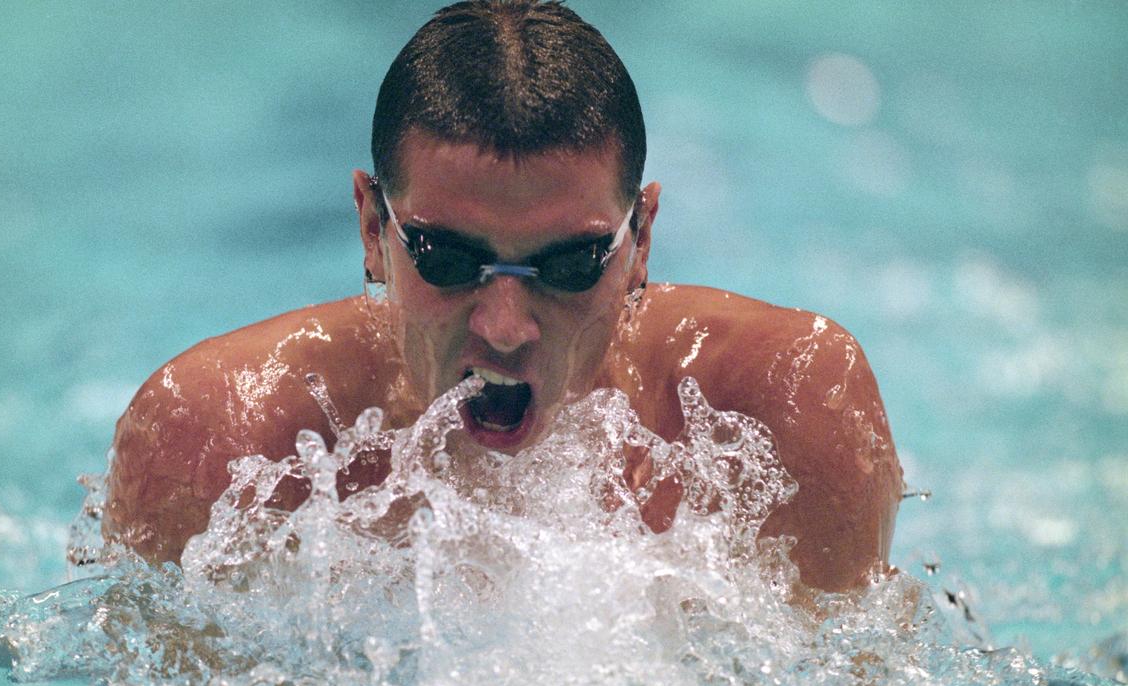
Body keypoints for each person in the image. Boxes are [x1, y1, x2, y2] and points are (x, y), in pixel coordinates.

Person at [102, 0, 902, 593]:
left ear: (643, 240)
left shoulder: (787, 412)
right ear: (373, 230)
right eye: (447, 258)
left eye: (570, 264)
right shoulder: (217, 448)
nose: (507, 329)